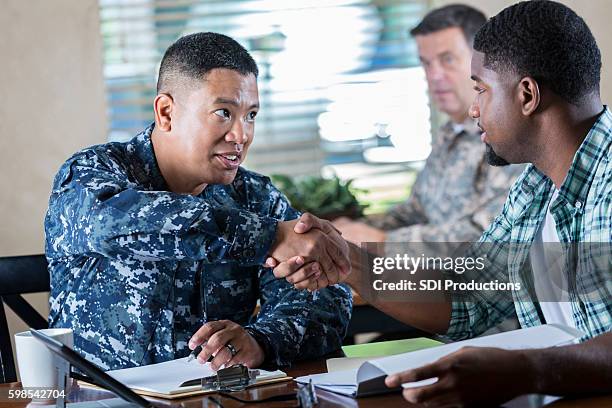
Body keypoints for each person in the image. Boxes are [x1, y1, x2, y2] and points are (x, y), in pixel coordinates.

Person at [272, 1, 612, 406]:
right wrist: (349, 260)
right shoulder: (535, 187)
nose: (473, 108)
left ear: (527, 95)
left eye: (481, 89)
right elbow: (468, 297)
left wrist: (526, 370)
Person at [45, 32, 352, 371]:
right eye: (223, 112)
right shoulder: (90, 174)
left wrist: (262, 341)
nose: (241, 135)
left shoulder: (253, 197)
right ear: (166, 113)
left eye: (251, 115)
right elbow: (114, 224)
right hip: (98, 399)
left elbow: (326, 298)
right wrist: (269, 238)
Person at [333, 4, 524, 249]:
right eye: (426, 63)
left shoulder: (509, 135)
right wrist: (348, 231)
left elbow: (489, 235)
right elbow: (415, 211)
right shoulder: (449, 133)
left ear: (482, 61)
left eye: (447, 60)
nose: (434, 75)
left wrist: (383, 242)